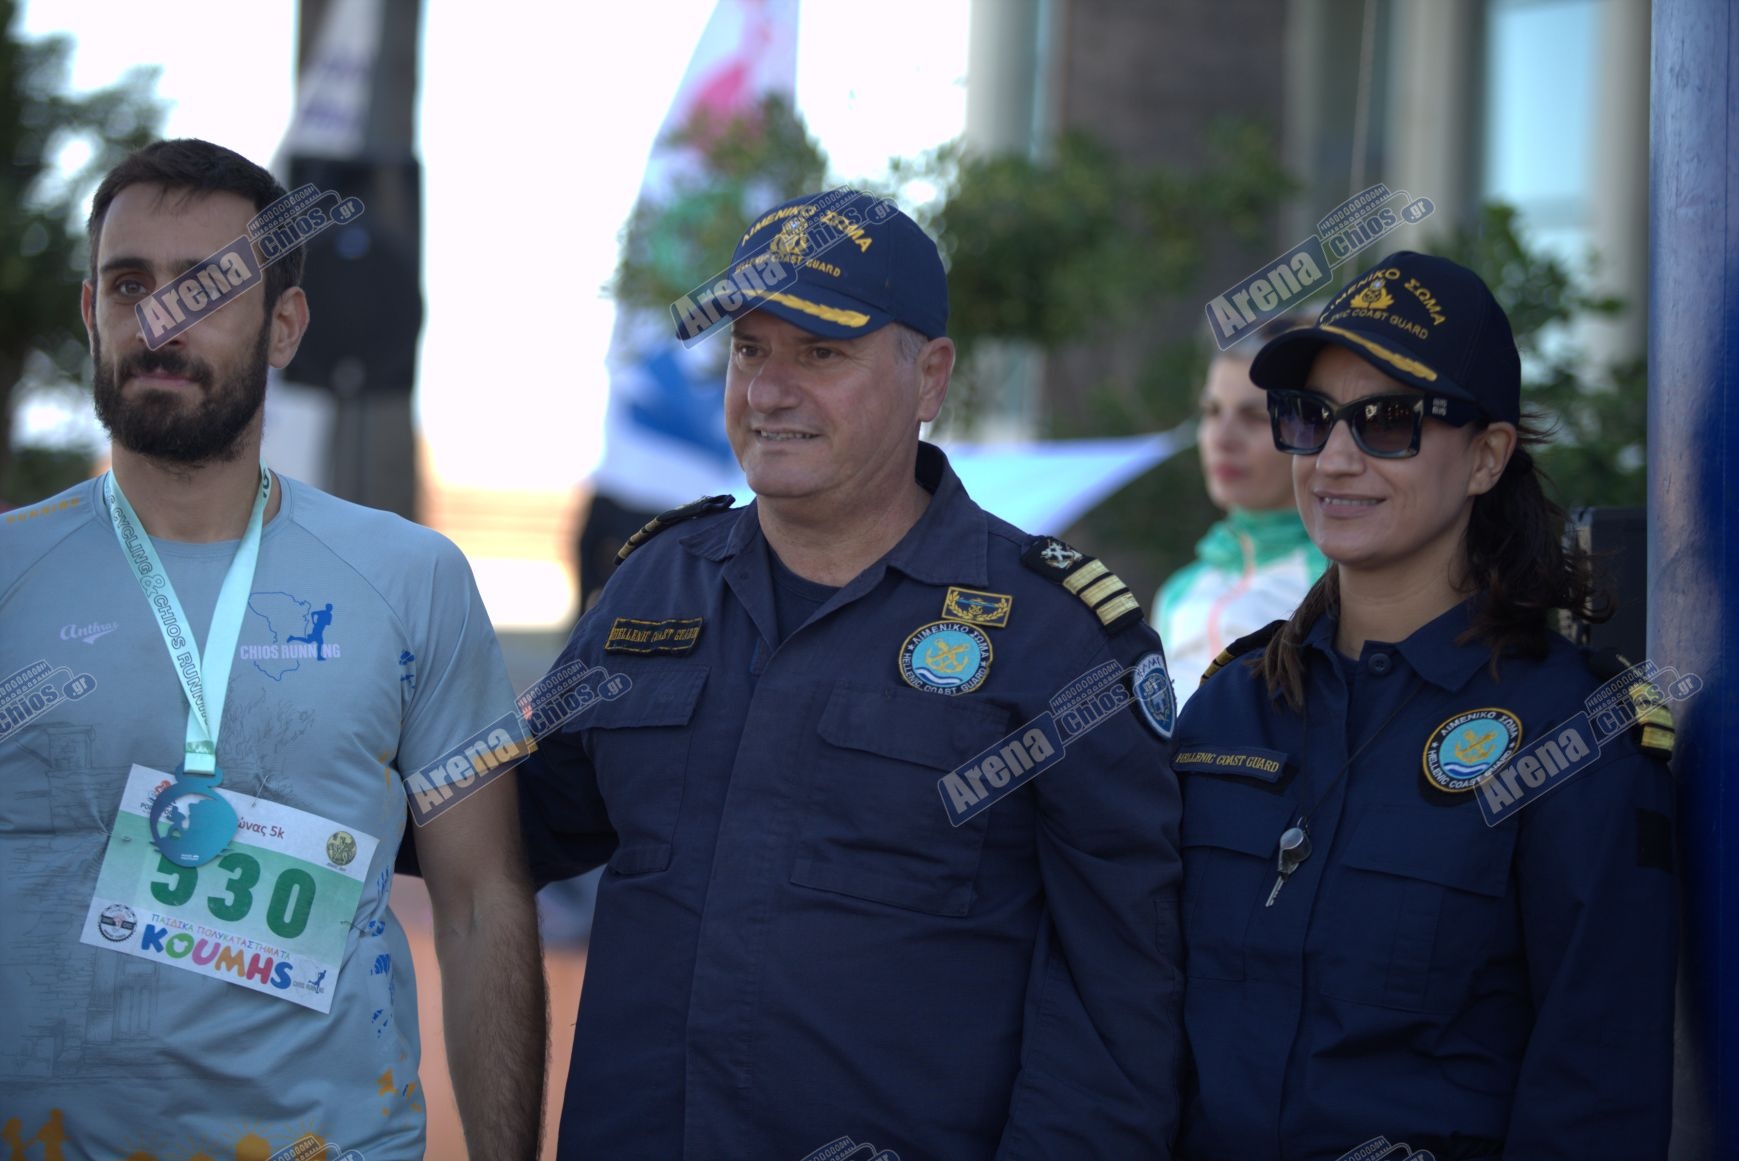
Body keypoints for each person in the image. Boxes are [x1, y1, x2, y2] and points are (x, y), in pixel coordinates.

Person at [516, 189, 1184, 1159]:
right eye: (750, 350)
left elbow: (1120, 997)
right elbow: (513, 825)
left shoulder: (1058, 639)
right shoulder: (655, 585)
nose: (768, 391)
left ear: (929, 377)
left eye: (820, 353)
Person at [0, 139, 544, 1157]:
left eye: (204, 288)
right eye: (128, 285)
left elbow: (480, 904)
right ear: (90, 313)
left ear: (283, 326)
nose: (158, 321)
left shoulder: (412, 579)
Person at [1172, 252, 1677, 1160]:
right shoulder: (1226, 711)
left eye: (1388, 422)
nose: (1334, 458)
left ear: (1485, 456)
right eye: (1310, 417)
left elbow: (1595, 1087)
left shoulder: (1575, 732)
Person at [1152, 313, 1327, 709]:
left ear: (1315, 429)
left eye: (1255, 417)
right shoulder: (1179, 590)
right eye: (1212, 411)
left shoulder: (1344, 579)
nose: (1222, 437)